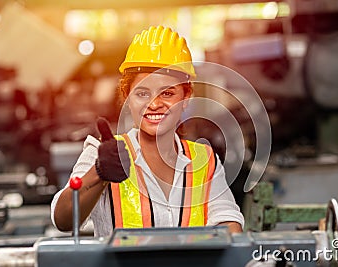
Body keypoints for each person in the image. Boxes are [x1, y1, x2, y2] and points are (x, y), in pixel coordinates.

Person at [51, 25, 244, 237]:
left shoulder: (204, 160)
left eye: (168, 93)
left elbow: (227, 221)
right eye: (142, 93)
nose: (154, 104)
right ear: (127, 98)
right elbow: (63, 220)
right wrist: (98, 174)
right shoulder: (103, 153)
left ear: (186, 98)